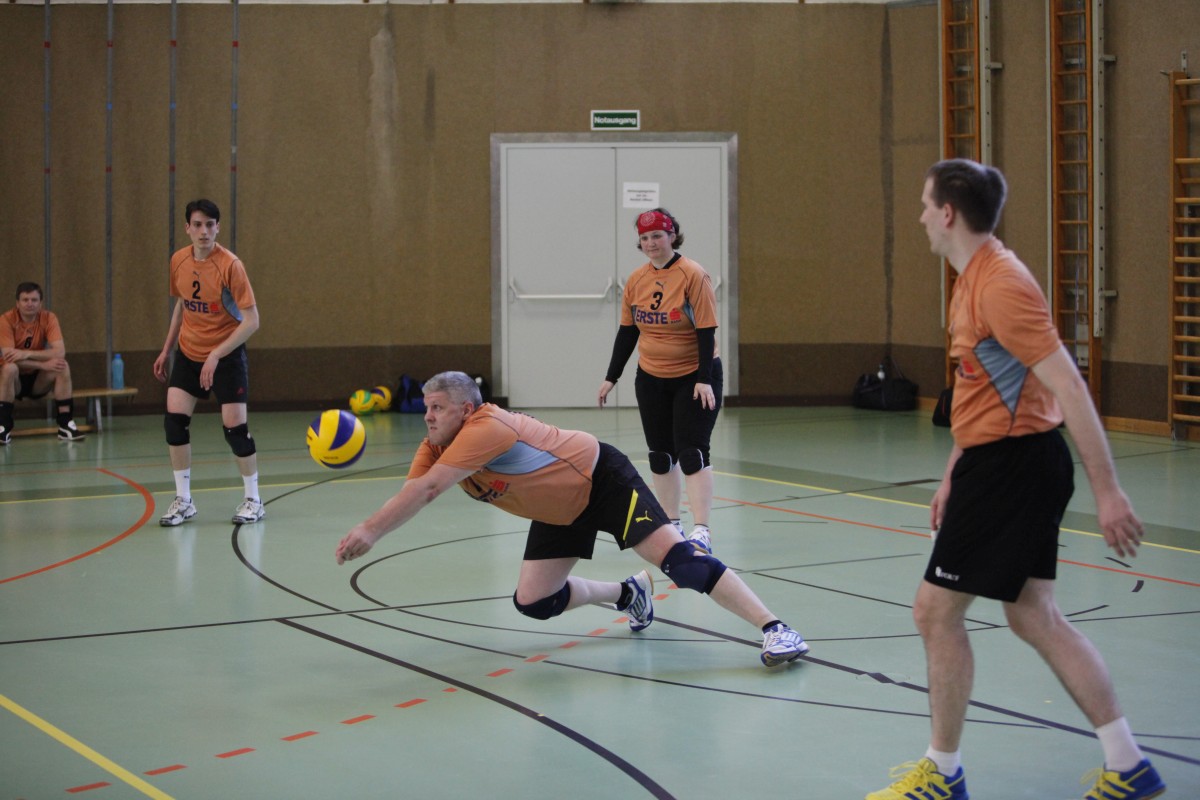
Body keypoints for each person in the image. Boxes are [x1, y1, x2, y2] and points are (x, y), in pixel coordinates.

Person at [867, 160, 1165, 800]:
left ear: (948, 213)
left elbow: (1069, 387)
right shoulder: (969, 279)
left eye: (925, 205)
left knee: (934, 612)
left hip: (1014, 467)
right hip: (996, 461)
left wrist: (1109, 491)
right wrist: (953, 473)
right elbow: (984, 390)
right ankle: (1129, 764)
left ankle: (943, 774)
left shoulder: (1001, 284)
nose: (921, 216)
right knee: (1034, 615)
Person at [335, 371, 809, 668]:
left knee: (681, 564)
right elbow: (412, 492)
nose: (428, 417)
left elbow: (429, 489)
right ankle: (629, 594)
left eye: (437, 408)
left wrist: (370, 531)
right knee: (535, 601)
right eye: (426, 408)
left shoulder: (487, 426)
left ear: (466, 409)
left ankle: (775, 629)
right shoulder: (436, 446)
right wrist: (375, 523)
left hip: (602, 480)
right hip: (560, 509)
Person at [597, 208, 721, 555]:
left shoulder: (692, 274)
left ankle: (702, 530)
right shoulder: (637, 279)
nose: (651, 243)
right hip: (652, 377)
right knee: (661, 455)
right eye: (645, 238)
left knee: (692, 452)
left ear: (672, 236)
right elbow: (628, 331)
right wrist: (611, 377)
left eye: (657, 235)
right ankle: (671, 524)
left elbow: (706, 329)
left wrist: (704, 379)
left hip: (693, 376)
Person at [152, 198, 264, 527]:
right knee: (174, 422)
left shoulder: (230, 266)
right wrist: (166, 349)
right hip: (189, 353)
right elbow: (182, 305)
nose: (204, 231)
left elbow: (252, 321)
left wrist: (216, 354)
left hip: (226, 356)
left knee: (235, 430)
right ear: (187, 227)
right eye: (198, 225)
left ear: (218, 228)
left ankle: (254, 500)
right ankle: (184, 500)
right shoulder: (178, 261)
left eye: (210, 225)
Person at [0, 282, 87, 444]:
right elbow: (9, 357)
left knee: (62, 366)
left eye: (34, 300)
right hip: (14, 382)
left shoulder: (48, 318)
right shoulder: (6, 320)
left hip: (37, 381)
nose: (30, 304)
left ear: (40, 303)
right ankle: (3, 427)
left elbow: (59, 352)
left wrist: (27, 353)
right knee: (9, 368)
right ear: (17, 303)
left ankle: (65, 424)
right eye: (25, 300)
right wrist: (42, 364)